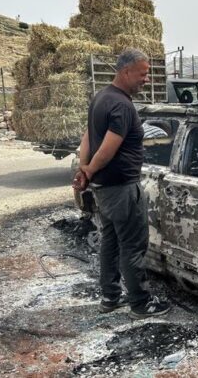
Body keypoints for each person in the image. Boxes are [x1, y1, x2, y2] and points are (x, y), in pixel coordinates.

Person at [73, 48, 171, 319]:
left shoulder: (101, 98)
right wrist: (90, 168)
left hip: (105, 188)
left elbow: (87, 138)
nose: (146, 80)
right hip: (122, 188)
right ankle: (140, 303)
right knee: (133, 245)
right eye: (143, 74)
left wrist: (86, 171)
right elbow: (107, 147)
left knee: (111, 242)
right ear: (126, 71)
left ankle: (110, 297)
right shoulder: (122, 105)